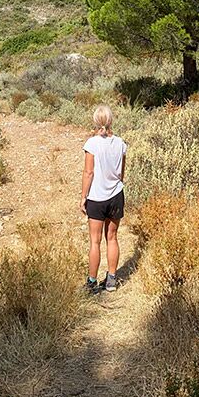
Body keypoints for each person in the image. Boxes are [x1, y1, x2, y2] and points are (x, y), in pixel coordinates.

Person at [80, 104, 127, 294]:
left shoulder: (92, 144)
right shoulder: (121, 143)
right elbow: (122, 174)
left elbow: (88, 172)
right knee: (112, 238)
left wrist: (83, 197)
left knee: (95, 241)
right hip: (116, 195)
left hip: (97, 197)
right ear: (110, 121)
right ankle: (111, 280)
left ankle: (92, 282)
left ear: (96, 121)